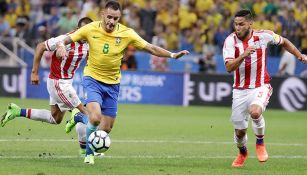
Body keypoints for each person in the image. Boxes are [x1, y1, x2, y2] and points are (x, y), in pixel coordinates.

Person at [56, 0, 189, 164]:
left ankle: (78, 117)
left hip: (113, 84)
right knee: (96, 118)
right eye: (109, 17)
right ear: (103, 14)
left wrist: (172, 55)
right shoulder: (90, 28)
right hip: (92, 79)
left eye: (116, 19)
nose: (111, 21)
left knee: (106, 129)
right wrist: (61, 45)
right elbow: (66, 38)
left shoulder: (127, 33)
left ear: (120, 19)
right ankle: (88, 154)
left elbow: (150, 48)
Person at [223, 9, 307, 168]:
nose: (237, 27)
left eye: (241, 24)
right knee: (240, 132)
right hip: (239, 90)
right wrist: (243, 55)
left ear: (249, 24)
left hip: (261, 85)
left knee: (255, 112)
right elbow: (228, 67)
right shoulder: (230, 41)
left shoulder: (264, 35)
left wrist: (299, 55)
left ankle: (260, 143)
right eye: (235, 24)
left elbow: (284, 41)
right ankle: (242, 152)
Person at [0, 17, 93, 155]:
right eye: (84, 30)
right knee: (86, 114)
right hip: (58, 83)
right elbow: (40, 47)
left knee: (55, 118)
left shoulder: (89, 42)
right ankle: (87, 150)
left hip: (67, 81)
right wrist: (34, 72)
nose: (87, 33)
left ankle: (18, 111)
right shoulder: (65, 39)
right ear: (78, 30)